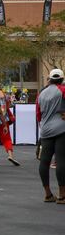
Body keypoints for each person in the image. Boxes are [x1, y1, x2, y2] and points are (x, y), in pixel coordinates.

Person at [37, 69, 65, 203]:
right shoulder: (63, 90)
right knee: (61, 160)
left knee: (44, 161)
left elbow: (38, 114)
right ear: (61, 79)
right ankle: (62, 195)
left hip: (45, 129)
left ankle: (47, 194)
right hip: (61, 129)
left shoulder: (41, 93)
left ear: (50, 78)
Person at [0, 81, 20, 167]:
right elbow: (9, 105)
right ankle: (10, 155)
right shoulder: (4, 95)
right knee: (6, 138)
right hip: (3, 120)